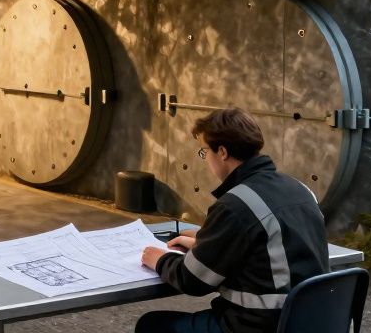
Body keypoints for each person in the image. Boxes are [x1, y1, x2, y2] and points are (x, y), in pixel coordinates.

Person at [136, 108, 328, 333]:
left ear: (223, 152)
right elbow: (275, 246)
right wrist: (208, 242)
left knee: (152, 326)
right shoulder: (299, 189)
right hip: (312, 320)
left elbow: (192, 280)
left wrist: (160, 259)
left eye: (204, 151)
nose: (205, 158)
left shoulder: (236, 204)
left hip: (261, 325)